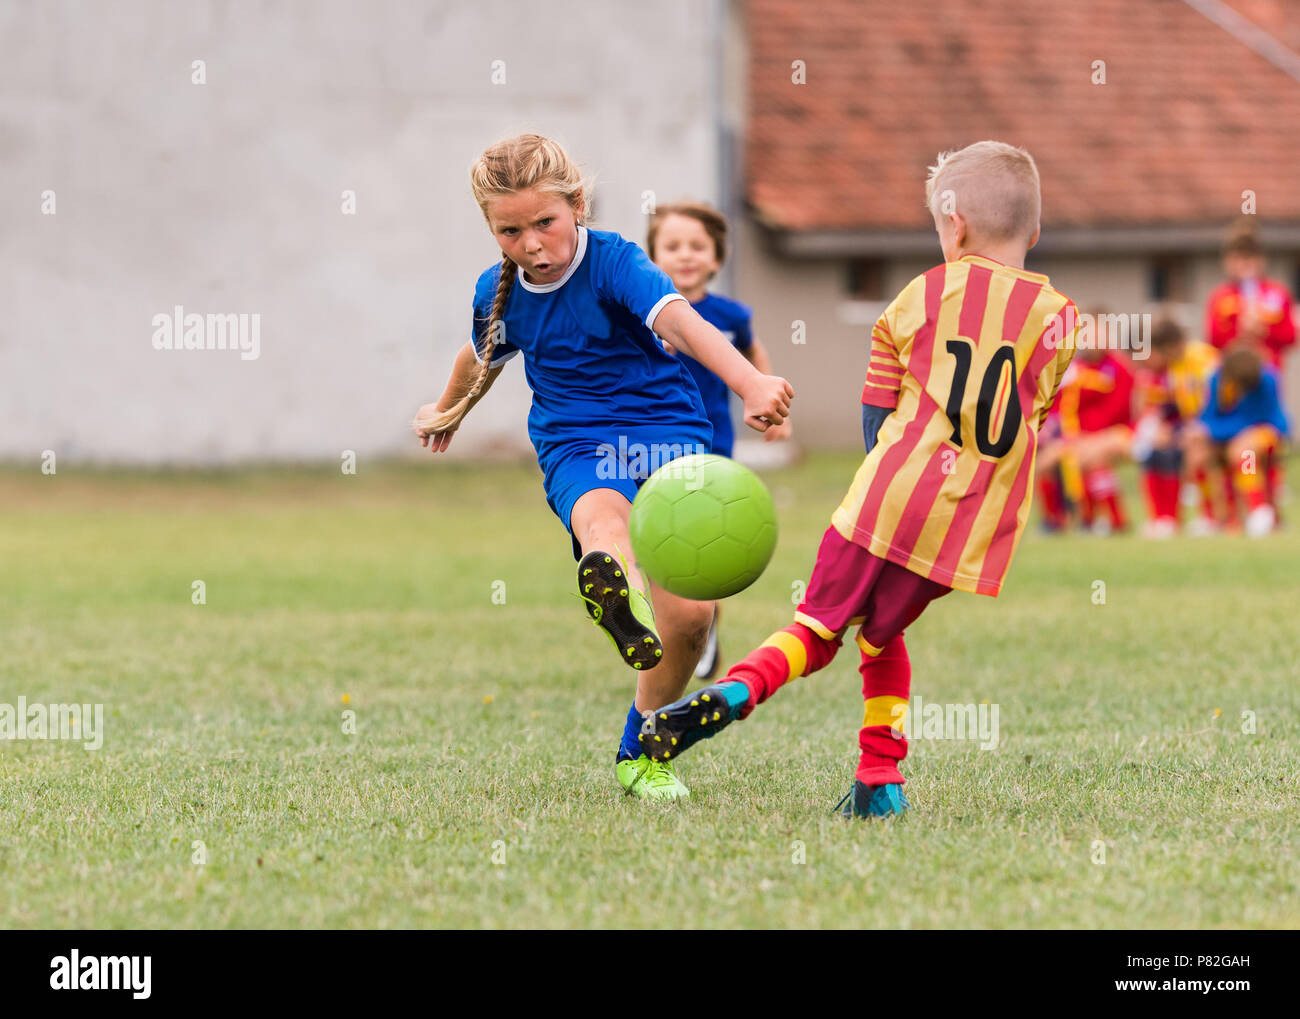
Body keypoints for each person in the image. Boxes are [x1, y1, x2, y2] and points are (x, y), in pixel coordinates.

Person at [635, 141, 1077, 818]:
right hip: (966, 524)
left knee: (816, 629)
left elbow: (879, 401)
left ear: (953, 225)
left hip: (887, 500)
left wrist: (882, 471)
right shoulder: (1060, 318)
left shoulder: (925, 291)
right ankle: (881, 779)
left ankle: (733, 692)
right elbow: (1035, 411)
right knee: (880, 635)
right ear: (1035, 231)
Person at [414, 134, 792, 800]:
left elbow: (680, 322)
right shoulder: (497, 292)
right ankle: (615, 589)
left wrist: (750, 381)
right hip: (576, 442)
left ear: (577, 205)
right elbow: (479, 356)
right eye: (510, 230)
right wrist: (447, 410)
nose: (531, 243)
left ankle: (641, 748)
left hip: (667, 432)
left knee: (695, 618)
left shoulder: (616, 260)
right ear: (490, 228)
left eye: (544, 223)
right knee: (602, 518)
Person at [645, 201, 791, 680]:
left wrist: (773, 407)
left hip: (712, 448)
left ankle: (703, 628)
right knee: (657, 542)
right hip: (651, 443)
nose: (685, 255)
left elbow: (753, 351)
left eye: (697, 246)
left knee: (704, 546)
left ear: (716, 258)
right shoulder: (642, 311)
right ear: (652, 256)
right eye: (672, 246)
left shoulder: (729, 315)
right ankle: (664, 628)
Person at [1035, 313, 1135, 535]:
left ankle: (1113, 520)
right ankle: (1056, 522)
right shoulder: (1073, 368)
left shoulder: (1120, 367)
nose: (1094, 339)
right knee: (1045, 461)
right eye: (1088, 334)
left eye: (1099, 333)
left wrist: (1085, 435)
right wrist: (1052, 431)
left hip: (1118, 432)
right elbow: (1057, 406)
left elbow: (1118, 410)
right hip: (1076, 437)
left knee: (1091, 456)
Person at [1185, 346, 1288, 537]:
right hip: (1229, 436)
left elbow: (1257, 419)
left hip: (1266, 432)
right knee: (1197, 449)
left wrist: (1215, 430)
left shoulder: (1266, 379)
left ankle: (1258, 511)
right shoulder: (1218, 379)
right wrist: (1201, 430)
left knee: (1243, 450)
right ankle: (1211, 518)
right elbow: (1208, 416)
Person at [1131, 312, 1217, 536]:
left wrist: (1197, 426)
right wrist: (1165, 427)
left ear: (1169, 346)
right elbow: (1177, 405)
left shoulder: (1203, 358)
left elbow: (1218, 399)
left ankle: (1209, 516)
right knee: (1155, 450)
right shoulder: (1174, 367)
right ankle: (1165, 519)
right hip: (1191, 424)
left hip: (1215, 424)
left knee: (1195, 449)